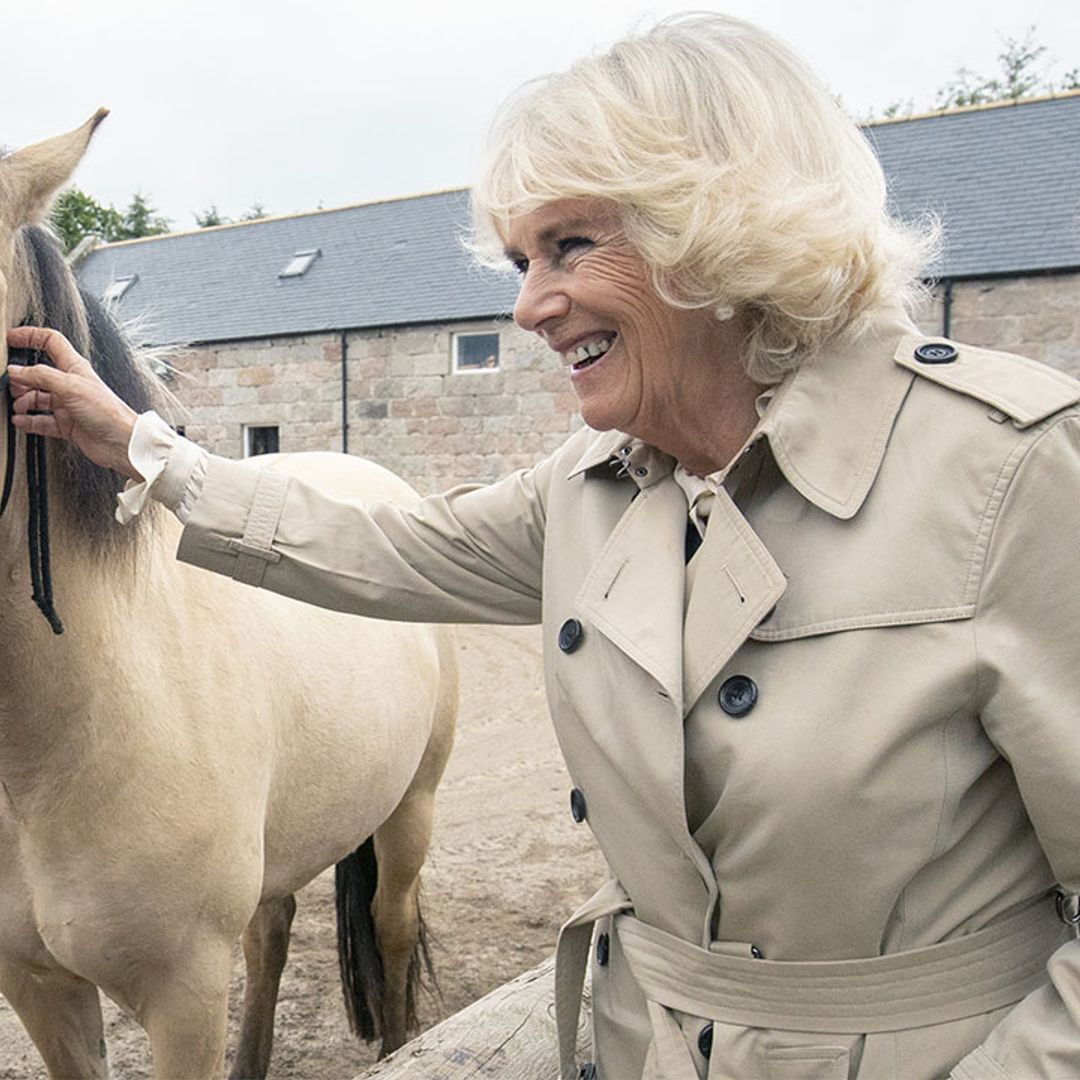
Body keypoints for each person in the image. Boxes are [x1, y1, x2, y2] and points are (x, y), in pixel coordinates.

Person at [6, 14, 1080, 1079]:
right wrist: (140, 444)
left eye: (569, 246)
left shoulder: (1019, 473)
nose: (526, 306)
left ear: (727, 226)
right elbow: (384, 545)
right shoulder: (598, 489)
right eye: (522, 258)